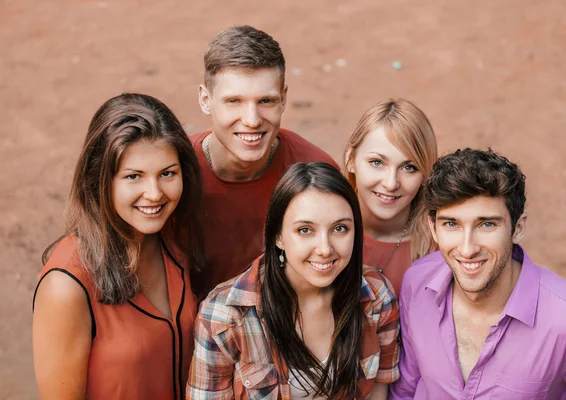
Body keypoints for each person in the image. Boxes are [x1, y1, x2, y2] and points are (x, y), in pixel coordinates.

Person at [389, 148, 566, 399]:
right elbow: (405, 391)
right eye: (451, 224)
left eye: (487, 224)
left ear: (517, 228)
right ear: (433, 229)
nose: (467, 249)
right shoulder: (417, 283)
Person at [32, 93, 204, 400]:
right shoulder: (66, 287)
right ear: (100, 180)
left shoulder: (174, 238)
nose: (154, 194)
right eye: (133, 176)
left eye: (167, 173)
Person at [186, 162, 399, 400]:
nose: (325, 249)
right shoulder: (223, 315)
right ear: (278, 236)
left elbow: (380, 387)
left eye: (340, 228)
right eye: (305, 230)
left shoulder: (375, 295)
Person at [189, 25, 338, 294]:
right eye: (234, 101)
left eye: (266, 101)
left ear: (283, 99)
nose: (252, 120)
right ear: (205, 99)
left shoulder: (314, 169)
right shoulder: (172, 173)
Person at [344, 99, 438, 294]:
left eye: (409, 168)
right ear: (350, 160)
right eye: (377, 162)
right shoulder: (324, 234)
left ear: (425, 175)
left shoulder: (442, 243)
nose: (390, 183)